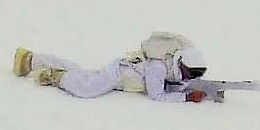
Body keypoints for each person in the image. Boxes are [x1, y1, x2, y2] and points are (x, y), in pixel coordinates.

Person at [13, 32, 221, 102]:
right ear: (180, 62)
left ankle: (31, 59)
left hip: (123, 70)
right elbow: (157, 95)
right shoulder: (159, 67)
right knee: (87, 89)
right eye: (189, 72)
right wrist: (186, 97)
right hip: (119, 75)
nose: (189, 77)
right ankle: (53, 76)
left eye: (195, 74)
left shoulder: (168, 65)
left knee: (82, 73)